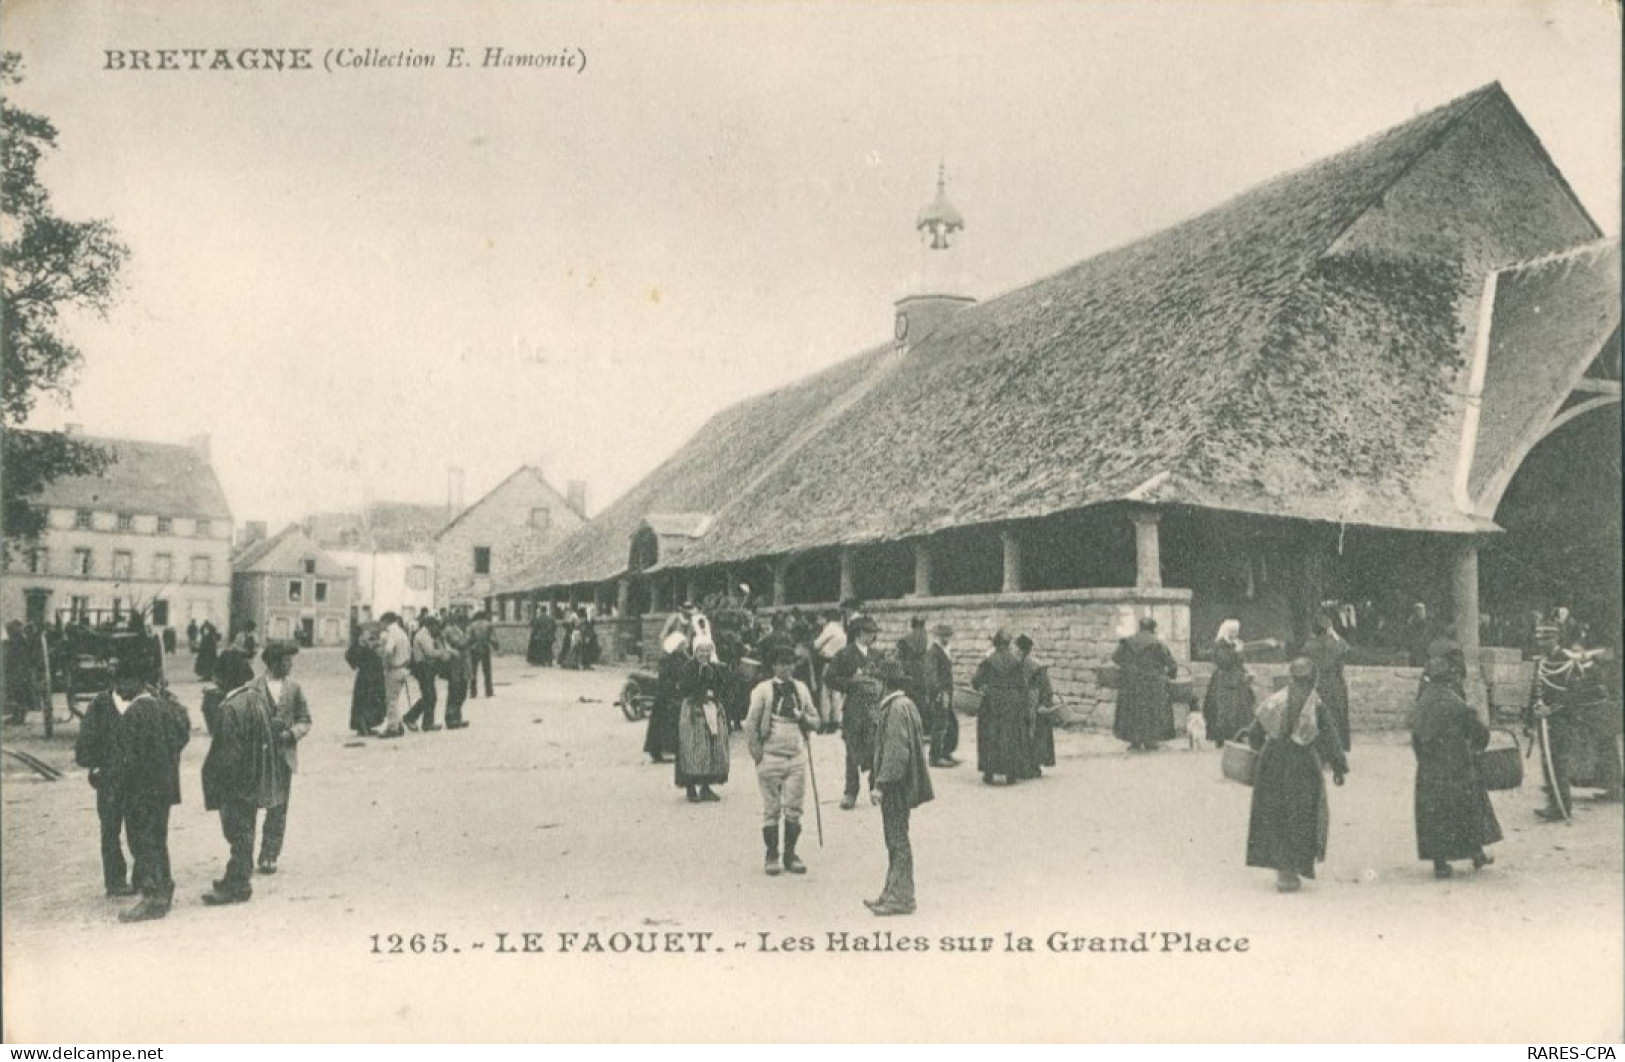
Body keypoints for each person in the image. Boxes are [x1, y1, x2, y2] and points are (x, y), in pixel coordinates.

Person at [1244, 658, 1348, 893]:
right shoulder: (1315, 704)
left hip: (1273, 765)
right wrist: (1339, 767)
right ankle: (1294, 869)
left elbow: (1255, 733)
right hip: (1302, 765)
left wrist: (1262, 749)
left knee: (1276, 815)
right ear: (1313, 679)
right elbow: (1331, 737)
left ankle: (1283, 873)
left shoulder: (1275, 701)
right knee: (1301, 816)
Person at [200, 651, 284, 905]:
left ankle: (237, 883)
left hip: (236, 783)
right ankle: (237, 878)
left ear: (224, 678)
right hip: (254, 777)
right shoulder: (255, 699)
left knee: (237, 833)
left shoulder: (229, 708)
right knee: (245, 830)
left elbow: (229, 753)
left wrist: (223, 785)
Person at [1412, 648, 1500, 879]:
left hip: (1430, 769)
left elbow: (1415, 738)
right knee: (1469, 808)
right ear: (1450, 678)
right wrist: (1475, 748)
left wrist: (1424, 760)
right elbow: (1480, 732)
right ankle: (1476, 853)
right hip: (1458, 767)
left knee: (1434, 817)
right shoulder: (1456, 703)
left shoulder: (1422, 703)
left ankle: (1440, 864)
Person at [866, 657, 933, 916]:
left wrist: (880, 785)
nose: (874, 687)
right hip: (903, 784)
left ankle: (901, 897)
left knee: (896, 840)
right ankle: (892, 891)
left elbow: (896, 753)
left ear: (884, 684)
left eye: (876, 681)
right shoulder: (904, 704)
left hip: (896, 786)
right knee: (896, 839)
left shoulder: (895, 709)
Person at [745, 646, 818, 876]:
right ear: (773, 665)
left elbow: (816, 720)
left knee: (794, 808)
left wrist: (803, 717)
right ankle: (772, 854)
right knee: (772, 808)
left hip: (796, 757)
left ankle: (790, 854)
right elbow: (751, 725)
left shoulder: (801, 689)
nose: (786, 668)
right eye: (781, 663)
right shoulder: (763, 691)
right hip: (771, 757)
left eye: (790, 663)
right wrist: (758, 755)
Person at [254, 641, 311, 875]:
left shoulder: (294, 689)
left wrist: (292, 734)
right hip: (256, 758)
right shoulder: (252, 688)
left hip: (282, 758)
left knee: (279, 808)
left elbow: (305, 720)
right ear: (274, 662)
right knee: (251, 806)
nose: (291, 665)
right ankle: (243, 856)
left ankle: (269, 854)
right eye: (287, 661)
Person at [825, 615, 882, 809]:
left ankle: (877, 789)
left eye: (873, 632)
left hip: (874, 708)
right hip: (854, 709)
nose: (872, 636)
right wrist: (850, 682)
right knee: (852, 750)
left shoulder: (877, 655)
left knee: (876, 748)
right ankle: (850, 792)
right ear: (859, 634)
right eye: (869, 632)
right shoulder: (845, 655)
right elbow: (829, 677)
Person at [675, 625, 730, 802]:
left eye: (707, 651)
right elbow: (684, 688)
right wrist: (700, 690)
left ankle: (706, 786)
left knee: (711, 747)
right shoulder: (688, 667)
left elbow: (722, 687)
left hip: (711, 709)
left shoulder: (714, 667)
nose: (704, 654)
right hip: (693, 710)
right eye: (701, 651)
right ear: (695, 651)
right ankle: (690, 787)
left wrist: (715, 694)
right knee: (692, 747)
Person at [971, 629, 1033, 785]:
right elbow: (1022, 686)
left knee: (990, 736)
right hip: (1010, 705)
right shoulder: (1015, 662)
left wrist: (984, 688)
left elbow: (976, 681)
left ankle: (989, 773)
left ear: (996, 644)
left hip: (991, 704)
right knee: (1009, 737)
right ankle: (1010, 774)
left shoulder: (988, 661)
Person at [1112, 617, 1178, 751]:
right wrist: (1170, 675)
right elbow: (1171, 665)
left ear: (1140, 627)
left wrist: (1129, 667)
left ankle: (1135, 741)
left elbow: (1116, 658)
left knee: (1132, 711)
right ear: (1153, 628)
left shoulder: (1127, 642)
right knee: (1151, 711)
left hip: (1131, 683)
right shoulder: (1158, 643)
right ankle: (1151, 740)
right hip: (1152, 683)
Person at [1201, 619, 1257, 749]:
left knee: (1241, 707)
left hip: (1237, 679)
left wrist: (1246, 671)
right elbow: (1223, 661)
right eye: (1232, 631)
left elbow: (1239, 662)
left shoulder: (1236, 644)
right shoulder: (1220, 644)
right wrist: (1236, 652)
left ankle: (1237, 735)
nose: (1235, 633)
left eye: (1236, 631)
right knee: (1222, 709)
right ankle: (1220, 737)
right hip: (1222, 680)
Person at [1303, 612, 1352, 752]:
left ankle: (1319, 750)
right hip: (1335, 684)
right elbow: (1344, 652)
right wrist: (1335, 636)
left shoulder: (1310, 645)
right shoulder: (1338, 644)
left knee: (1317, 717)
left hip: (1317, 684)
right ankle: (1337, 748)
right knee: (1336, 716)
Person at [1014, 634, 1057, 778]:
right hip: (1028, 703)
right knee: (1028, 735)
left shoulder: (1033, 665)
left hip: (1032, 703)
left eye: (1018, 649)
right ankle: (1028, 766)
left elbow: (1045, 687)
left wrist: (1044, 703)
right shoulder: (1024, 664)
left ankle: (1030, 766)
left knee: (1030, 735)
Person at [644, 631, 687, 764]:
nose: (684, 647)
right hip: (666, 695)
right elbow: (665, 678)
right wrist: (675, 686)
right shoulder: (666, 659)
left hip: (676, 693)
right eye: (682, 644)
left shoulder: (682, 657)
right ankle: (658, 751)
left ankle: (671, 749)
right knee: (663, 723)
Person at [926, 624, 960, 767]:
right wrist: (939, 692)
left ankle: (945, 752)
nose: (947, 638)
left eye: (948, 636)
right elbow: (932, 675)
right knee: (939, 725)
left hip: (946, 693)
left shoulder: (943, 650)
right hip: (940, 694)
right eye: (944, 636)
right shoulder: (933, 652)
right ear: (937, 637)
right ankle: (935, 756)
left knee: (949, 723)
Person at [404, 614, 445, 732]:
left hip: (426, 667)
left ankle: (427, 722)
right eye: (436, 626)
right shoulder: (423, 635)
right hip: (422, 667)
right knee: (429, 696)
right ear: (430, 626)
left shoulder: (426, 634)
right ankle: (411, 718)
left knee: (430, 696)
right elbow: (430, 653)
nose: (438, 629)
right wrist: (441, 652)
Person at [346, 623, 387, 736]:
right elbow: (356, 661)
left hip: (368, 677)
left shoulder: (362, 646)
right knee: (366, 702)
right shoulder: (359, 648)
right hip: (368, 678)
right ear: (360, 635)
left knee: (367, 702)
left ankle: (366, 726)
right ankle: (363, 727)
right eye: (365, 633)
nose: (368, 634)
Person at [376, 612, 411, 739]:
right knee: (395, 699)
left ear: (385, 621)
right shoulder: (402, 633)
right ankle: (398, 724)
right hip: (403, 668)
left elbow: (389, 650)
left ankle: (392, 728)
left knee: (391, 700)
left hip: (394, 669)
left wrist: (384, 662)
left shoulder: (392, 633)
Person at [813, 608, 848, 731]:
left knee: (825, 693)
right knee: (836, 693)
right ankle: (836, 720)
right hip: (839, 663)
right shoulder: (841, 630)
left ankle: (825, 721)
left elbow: (816, 644)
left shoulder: (830, 629)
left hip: (828, 662)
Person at [441, 612, 471, 730]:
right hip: (455, 666)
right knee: (454, 692)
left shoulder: (461, 631)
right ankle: (451, 718)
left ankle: (458, 717)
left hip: (463, 667)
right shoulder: (450, 630)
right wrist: (469, 637)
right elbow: (459, 643)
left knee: (462, 692)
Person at [467, 610, 497, 698]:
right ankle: (488, 691)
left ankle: (473, 692)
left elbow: (468, 638)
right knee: (487, 671)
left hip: (474, 649)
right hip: (485, 648)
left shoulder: (472, 625)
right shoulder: (488, 624)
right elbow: (493, 638)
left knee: (473, 671)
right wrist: (495, 646)